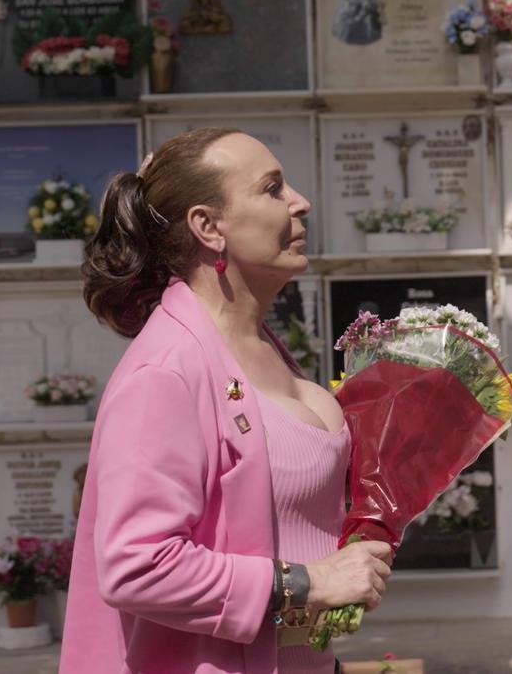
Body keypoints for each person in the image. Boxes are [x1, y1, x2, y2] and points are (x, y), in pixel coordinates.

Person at [61, 127, 394, 673]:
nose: (300, 201)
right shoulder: (165, 372)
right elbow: (135, 565)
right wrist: (309, 583)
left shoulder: (256, 344)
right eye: (272, 188)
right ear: (208, 227)